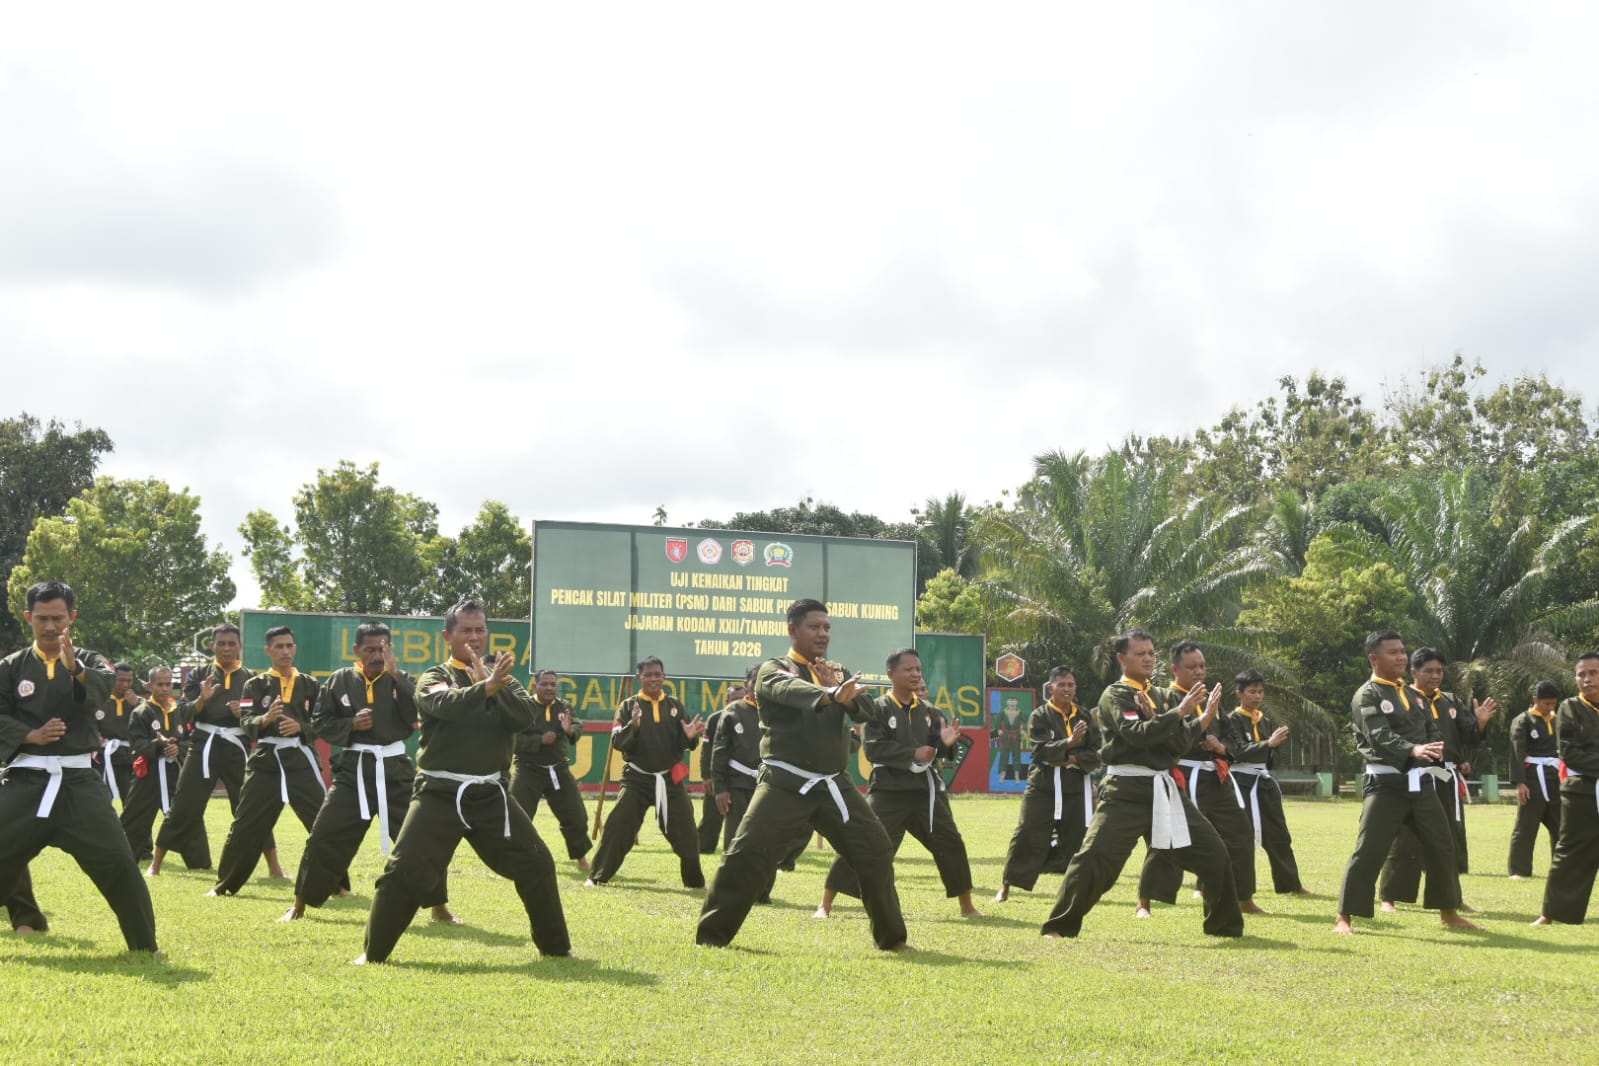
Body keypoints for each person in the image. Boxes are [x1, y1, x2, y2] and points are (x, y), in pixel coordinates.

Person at [358, 600, 569, 964]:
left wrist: (496, 687)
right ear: (448, 636)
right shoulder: (434, 677)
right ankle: (373, 954)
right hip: (439, 794)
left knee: (537, 863)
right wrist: (484, 688)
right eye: (466, 630)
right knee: (402, 872)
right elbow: (446, 706)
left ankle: (556, 949)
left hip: (491, 795)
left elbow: (523, 717)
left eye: (480, 630)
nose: (474, 637)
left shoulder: (507, 681)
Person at [697, 599, 910, 951]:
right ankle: (711, 937)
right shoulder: (773, 669)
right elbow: (789, 692)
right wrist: (830, 693)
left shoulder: (836, 670)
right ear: (792, 629)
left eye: (826, 627)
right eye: (814, 627)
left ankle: (892, 940)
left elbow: (867, 709)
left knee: (875, 848)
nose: (823, 633)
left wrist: (843, 695)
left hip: (832, 784)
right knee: (746, 855)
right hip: (784, 782)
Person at [1040, 629, 1242, 939]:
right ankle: (1059, 926)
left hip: (1165, 788)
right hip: (1126, 790)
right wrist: (1179, 714)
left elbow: (1177, 745)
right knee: (1094, 857)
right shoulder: (1116, 694)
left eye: (1151, 652)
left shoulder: (1159, 696)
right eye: (1140, 653)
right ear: (1122, 658)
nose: (1148, 657)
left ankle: (1224, 926)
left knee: (1214, 853)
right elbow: (1136, 735)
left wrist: (1197, 721)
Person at [0, 580, 158, 952]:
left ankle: (145, 947)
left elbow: (106, 688)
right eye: (42, 619)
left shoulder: (89, 658)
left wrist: (77, 669)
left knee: (119, 862)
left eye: (58, 618)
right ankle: (27, 919)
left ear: (72, 617)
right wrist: (29, 735)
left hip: (78, 784)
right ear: (28, 618)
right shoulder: (10, 667)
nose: (51, 627)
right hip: (25, 780)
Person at [282, 622, 456, 924]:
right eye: (371, 649)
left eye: (383, 648)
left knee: (423, 839)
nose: (377, 655)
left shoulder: (402, 680)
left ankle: (438, 908)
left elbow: (421, 708)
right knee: (324, 835)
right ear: (357, 651)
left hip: (396, 770)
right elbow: (321, 722)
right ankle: (299, 904)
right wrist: (351, 725)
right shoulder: (340, 680)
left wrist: (396, 674)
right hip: (353, 772)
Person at [815, 647, 980, 919]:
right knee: (863, 843)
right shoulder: (877, 709)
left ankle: (967, 905)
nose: (915, 674)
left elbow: (937, 752)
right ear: (891, 674)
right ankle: (826, 904)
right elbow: (873, 749)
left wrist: (945, 744)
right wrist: (911, 754)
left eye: (918, 669)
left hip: (924, 793)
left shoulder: (931, 711)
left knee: (950, 842)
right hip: (889, 791)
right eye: (909, 669)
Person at [1334, 630, 1478, 934]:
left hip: (1421, 784)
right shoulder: (1367, 695)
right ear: (1374, 658)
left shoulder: (1413, 695)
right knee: (1369, 849)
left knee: (1442, 845)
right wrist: (1413, 750)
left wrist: (1436, 749)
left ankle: (1449, 913)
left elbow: (1431, 730)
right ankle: (1344, 917)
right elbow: (1379, 736)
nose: (1400, 657)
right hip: (1386, 785)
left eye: (1402, 651)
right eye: (1393, 652)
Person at [1135, 643, 1260, 918]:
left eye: (1202, 666)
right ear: (1175, 669)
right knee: (1168, 838)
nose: (1199, 672)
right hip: (1182, 776)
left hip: (1216, 777)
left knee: (1240, 833)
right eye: (1192, 667)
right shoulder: (1165, 699)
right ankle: (1145, 902)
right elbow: (1164, 740)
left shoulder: (1211, 700)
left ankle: (1244, 898)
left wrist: (1222, 748)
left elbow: (1233, 740)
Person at [208, 625, 331, 896]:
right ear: (268, 650)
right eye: (279, 647)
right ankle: (225, 885)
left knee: (322, 821)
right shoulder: (255, 684)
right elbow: (246, 720)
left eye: (289, 646)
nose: (285, 651)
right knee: (246, 823)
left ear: (295, 648)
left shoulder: (310, 684)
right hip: (266, 759)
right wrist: (266, 720)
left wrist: (301, 728)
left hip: (300, 758)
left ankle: (338, 884)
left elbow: (322, 722)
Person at [149, 623, 279, 877]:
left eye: (232, 643)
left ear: (240, 645)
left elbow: (261, 720)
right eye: (221, 643)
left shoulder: (252, 679)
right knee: (184, 803)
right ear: (213, 646)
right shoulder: (199, 674)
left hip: (237, 748)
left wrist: (244, 714)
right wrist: (202, 699)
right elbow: (181, 713)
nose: (227, 648)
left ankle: (274, 867)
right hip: (203, 745)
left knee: (251, 806)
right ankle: (156, 864)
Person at [1379, 648, 1494, 910]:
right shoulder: (1403, 698)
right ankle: (1390, 897)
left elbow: (1469, 736)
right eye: (1428, 671)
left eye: (1439, 671)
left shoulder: (1451, 701)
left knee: (1447, 837)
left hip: (1445, 779)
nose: (1435, 676)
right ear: (1414, 672)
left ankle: (1452, 899)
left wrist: (1481, 723)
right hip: (1413, 776)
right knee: (1406, 836)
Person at [586, 657, 707, 888]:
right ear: (639, 677)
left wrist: (690, 737)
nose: (653, 679)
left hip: (671, 778)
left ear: (664, 677)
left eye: (657, 674)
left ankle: (694, 882)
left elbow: (685, 741)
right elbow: (617, 741)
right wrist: (635, 726)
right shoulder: (628, 706)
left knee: (688, 832)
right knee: (618, 825)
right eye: (648, 675)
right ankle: (596, 877)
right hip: (636, 778)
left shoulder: (675, 706)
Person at [994, 665, 1100, 903]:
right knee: (1027, 832)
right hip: (1043, 785)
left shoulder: (1084, 715)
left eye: (1070, 685)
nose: (1066, 689)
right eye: (1061, 684)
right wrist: (1070, 743)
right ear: (1051, 687)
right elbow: (1040, 751)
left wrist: (1073, 758)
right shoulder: (1040, 715)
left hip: (1074, 785)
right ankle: (1006, 886)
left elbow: (1096, 750)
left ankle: (1077, 890)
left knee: (1078, 838)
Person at [1222, 669, 1310, 900]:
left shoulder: (1265, 720)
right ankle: (1210, 885)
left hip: (1263, 782)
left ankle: (1291, 883)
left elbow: (1269, 755)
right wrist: (1268, 744)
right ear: (1240, 693)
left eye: (1261, 692)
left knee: (1278, 833)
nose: (1257, 696)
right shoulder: (1232, 720)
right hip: (1240, 783)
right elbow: (1237, 751)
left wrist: (1272, 746)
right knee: (1236, 835)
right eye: (1252, 691)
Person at [1533, 653, 1599, 925]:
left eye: (1594, 673)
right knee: (1570, 850)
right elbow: (1570, 753)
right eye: (1582, 674)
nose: (1587, 679)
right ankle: (1553, 913)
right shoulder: (1570, 708)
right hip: (1580, 790)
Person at [510, 669, 591, 872]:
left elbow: (577, 726)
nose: (549, 688)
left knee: (577, 816)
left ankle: (581, 858)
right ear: (534, 685)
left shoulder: (564, 706)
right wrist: (539, 740)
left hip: (559, 770)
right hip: (528, 770)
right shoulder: (524, 707)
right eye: (544, 684)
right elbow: (512, 739)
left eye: (553, 684)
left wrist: (569, 730)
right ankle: (516, 860)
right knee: (517, 816)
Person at [120, 667, 201, 866]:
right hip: (148, 773)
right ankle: (123, 856)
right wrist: (158, 745)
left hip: (176, 772)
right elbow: (137, 745)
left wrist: (177, 749)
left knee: (185, 812)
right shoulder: (141, 712)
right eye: (160, 684)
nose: (165, 689)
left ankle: (199, 860)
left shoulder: (180, 710)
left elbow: (192, 740)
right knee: (135, 815)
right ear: (150, 686)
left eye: (168, 684)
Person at [1509, 681, 1563, 880]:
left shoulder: (1559, 720)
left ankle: (1561, 869)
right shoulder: (1523, 720)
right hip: (1532, 777)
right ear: (1535, 700)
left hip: (1556, 777)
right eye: (1546, 704)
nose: (1550, 708)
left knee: (1560, 825)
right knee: (1526, 825)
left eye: (1553, 704)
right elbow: (1517, 752)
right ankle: (1519, 870)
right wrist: (1520, 783)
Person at [697, 682, 746, 855]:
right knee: (712, 814)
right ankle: (704, 847)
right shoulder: (715, 719)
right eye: (733, 699)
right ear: (726, 700)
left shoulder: (753, 717)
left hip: (742, 778)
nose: (737, 703)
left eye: (741, 699)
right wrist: (707, 776)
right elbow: (706, 751)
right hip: (718, 775)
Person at [96, 663, 137, 806]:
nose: (125, 684)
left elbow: (149, 726)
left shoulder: (138, 703)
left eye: (129, 680)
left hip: (128, 759)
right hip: (103, 760)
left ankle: (132, 829)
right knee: (101, 804)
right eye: (121, 680)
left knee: (132, 803)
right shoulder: (100, 700)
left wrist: (137, 706)